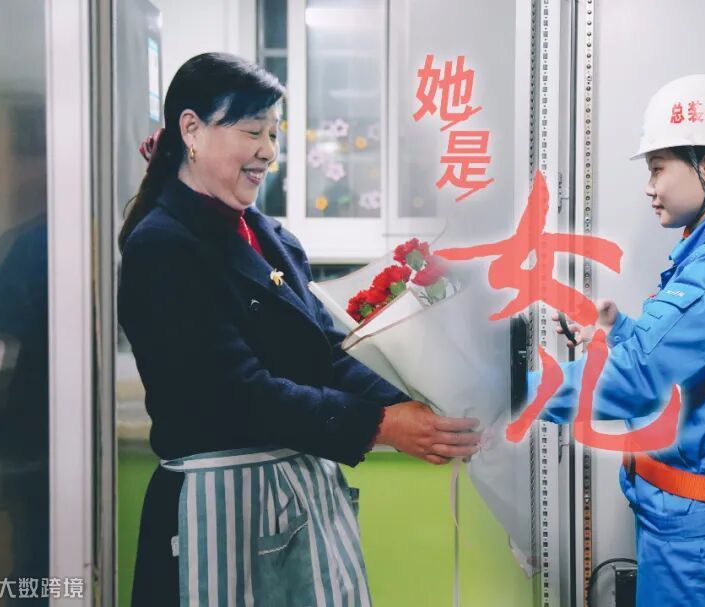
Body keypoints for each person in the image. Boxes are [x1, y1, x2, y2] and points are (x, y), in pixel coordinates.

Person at [118, 52, 481, 606]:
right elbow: (236, 393)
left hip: (294, 493)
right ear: (191, 129)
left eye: (274, 133)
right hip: (219, 507)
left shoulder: (268, 237)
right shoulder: (164, 245)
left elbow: (323, 354)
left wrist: (417, 408)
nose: (268, 150)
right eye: (252, 131)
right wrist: (381, 425)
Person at [533, 74, 705, 605]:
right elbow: (695, 360)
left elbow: (639, 379)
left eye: (657, 168)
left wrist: (519, 391)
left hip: (695, 531)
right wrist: (620, 330)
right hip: (679, 514)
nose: (649, 187)